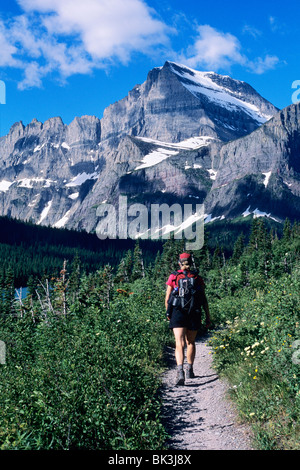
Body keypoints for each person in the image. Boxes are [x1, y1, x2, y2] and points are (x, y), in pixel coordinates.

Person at [165, 252, 211, 386]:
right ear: (191, 263)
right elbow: (203, 299)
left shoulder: (174, 276)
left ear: (179, 263)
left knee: (179, 343)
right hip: (194, 312)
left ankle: (180, 372)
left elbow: (167, 298)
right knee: (190, 342)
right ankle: (190, 369)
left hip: (178, 312)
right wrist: (208, 316)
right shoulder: (197, 277)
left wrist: (168, 312)